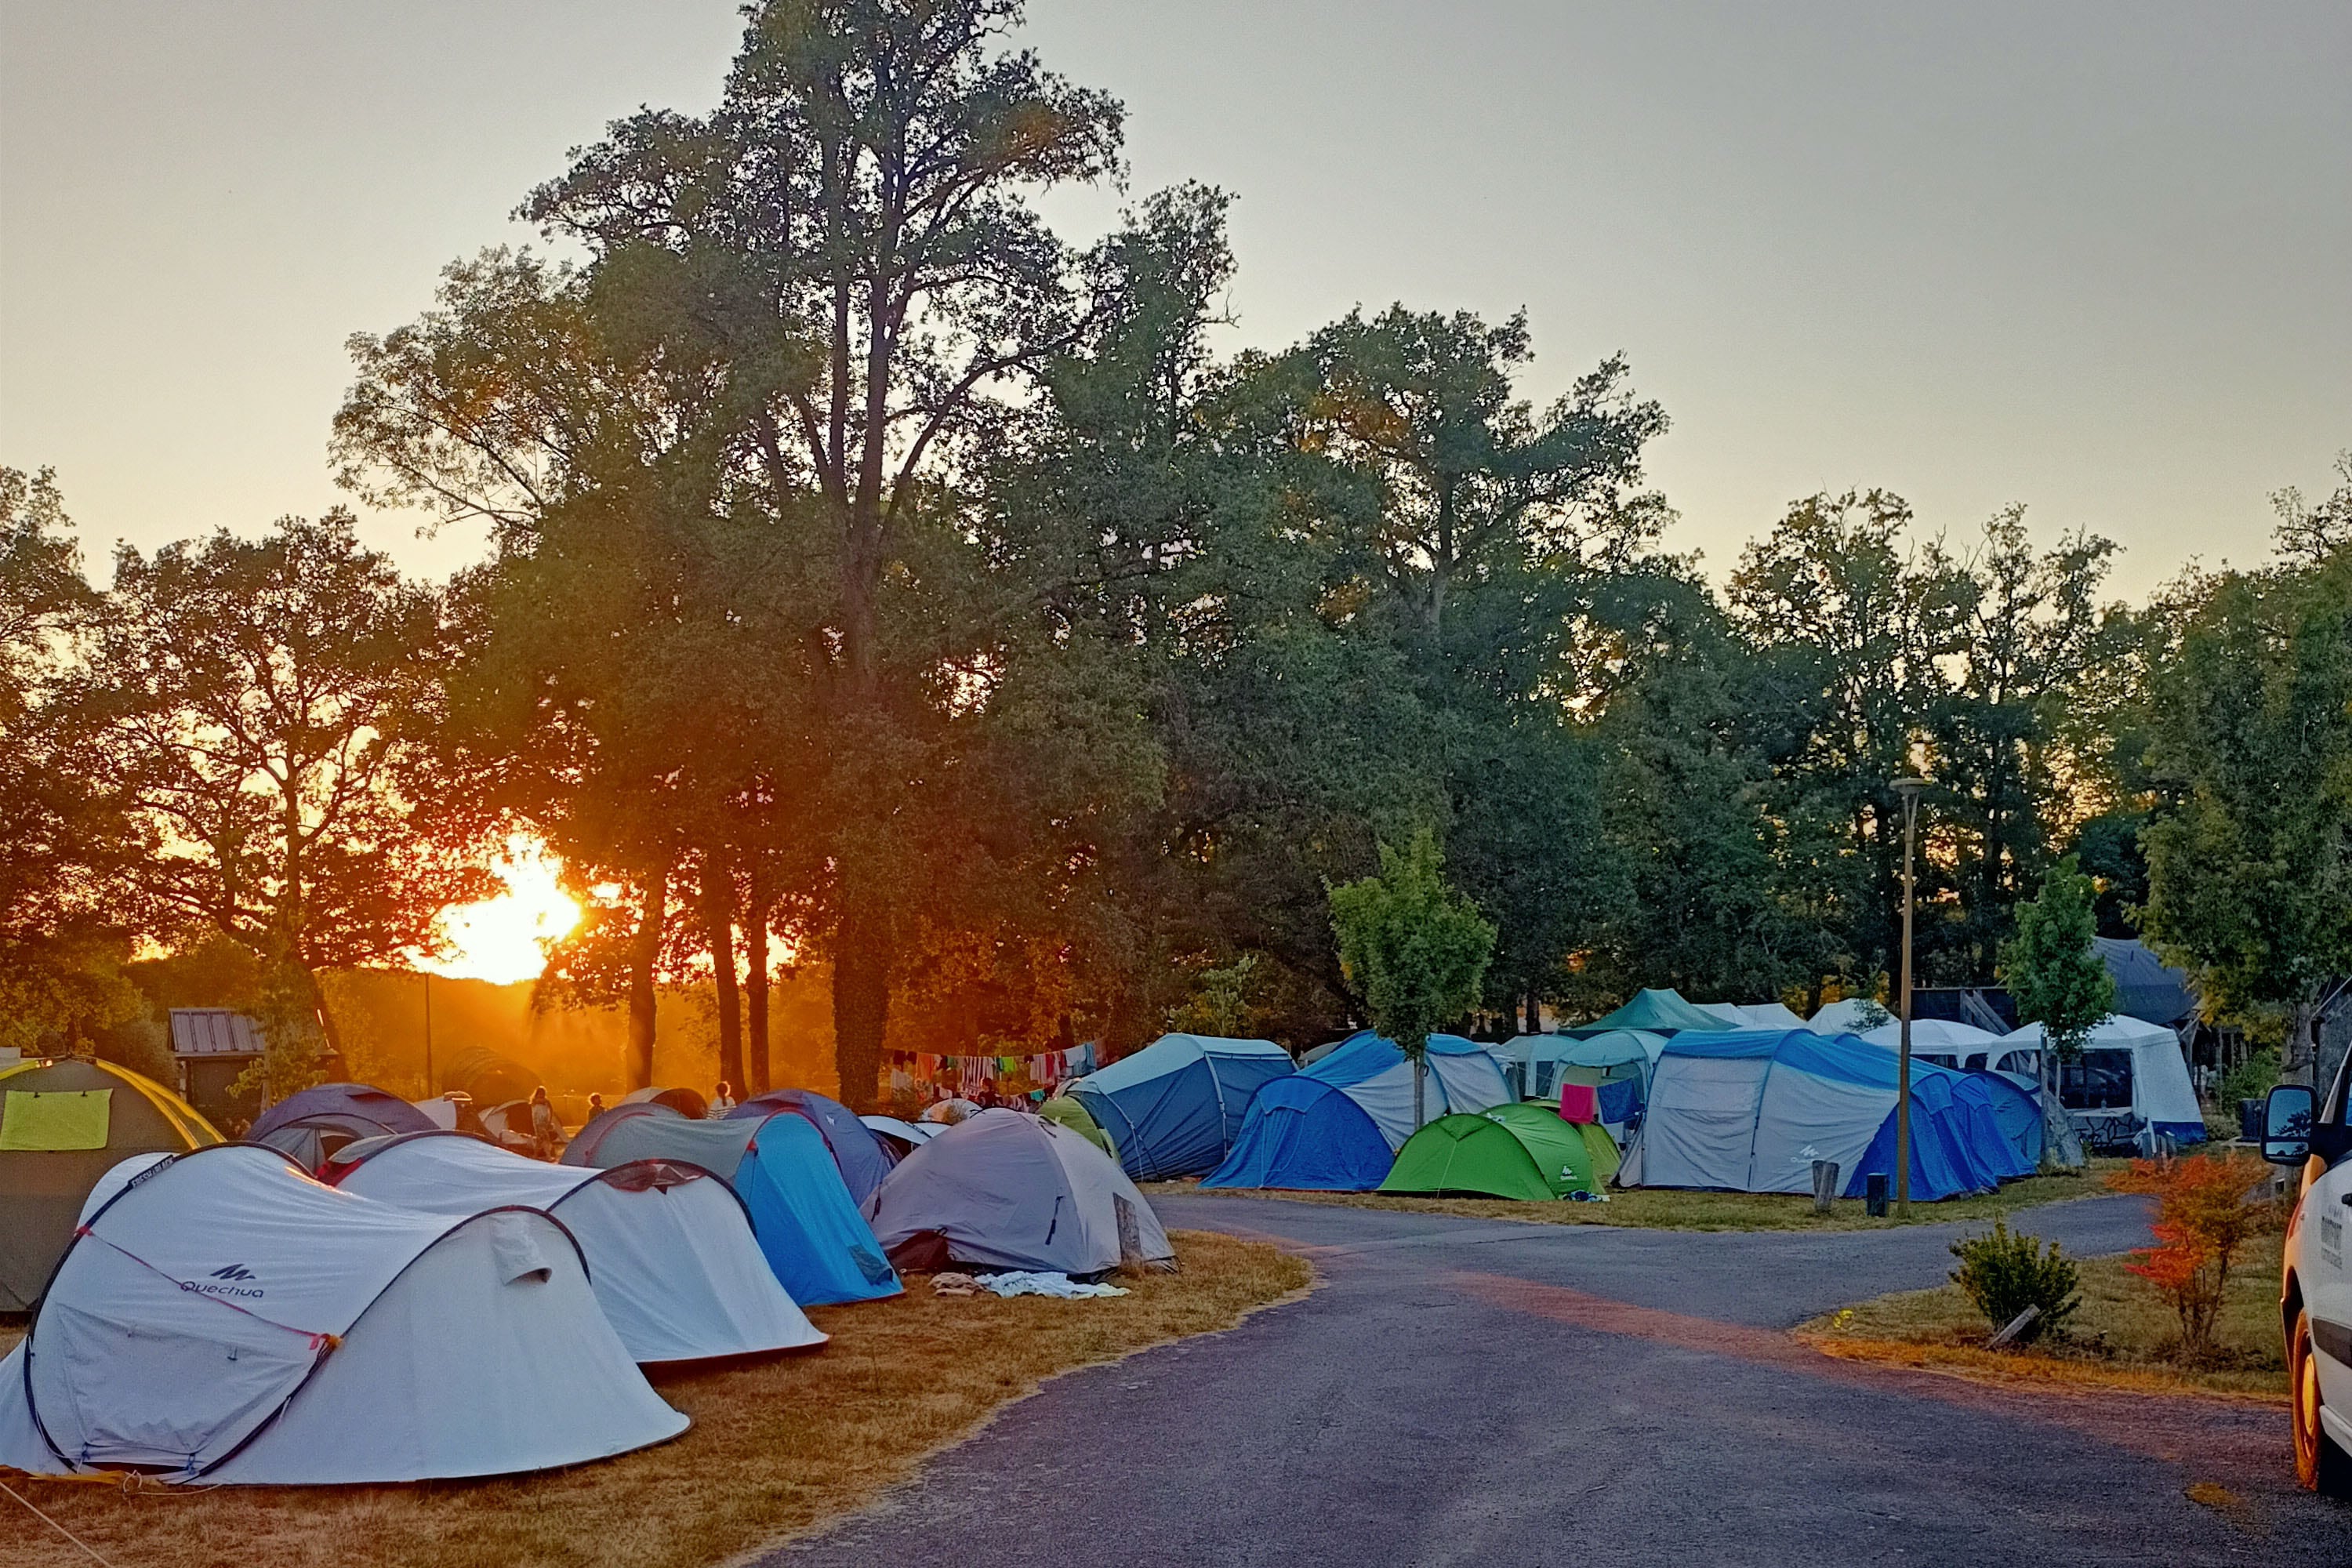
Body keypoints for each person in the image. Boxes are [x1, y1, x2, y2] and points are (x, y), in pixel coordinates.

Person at [528, 1085, 561, 1159]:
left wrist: (549, 1120)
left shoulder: (545, 1101)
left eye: (543, 1093)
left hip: (544, 1122)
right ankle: (548, 1156)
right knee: (545, 1138)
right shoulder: (535, 1101)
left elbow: (551, 1110)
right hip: (538, 1123)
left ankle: (535, 1155)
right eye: (540, 1093)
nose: (541, 1095)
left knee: (540, 1140)